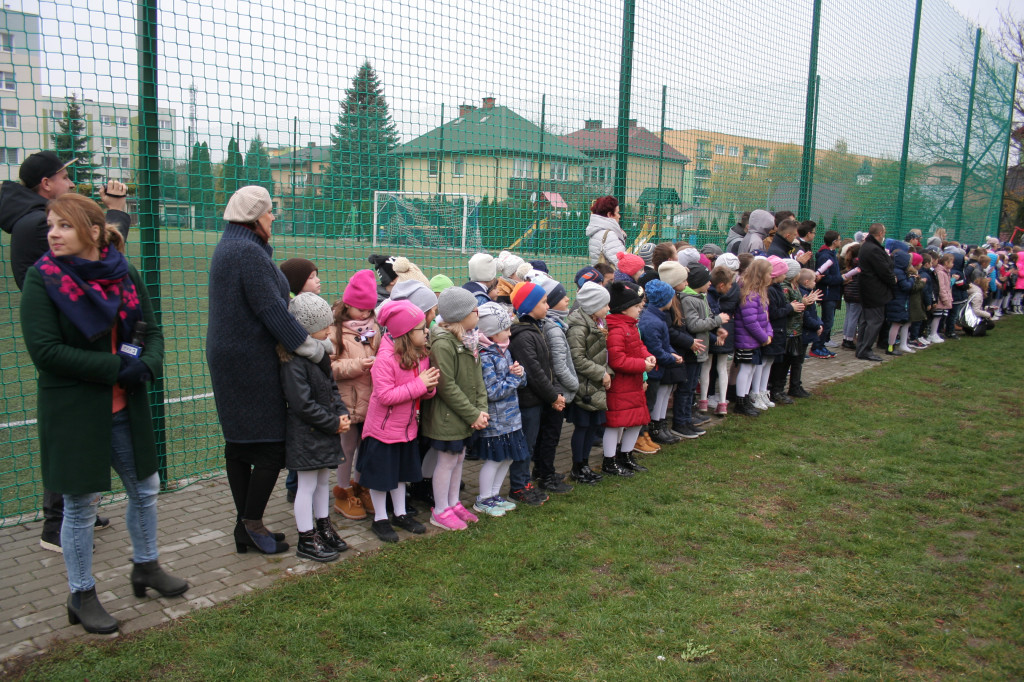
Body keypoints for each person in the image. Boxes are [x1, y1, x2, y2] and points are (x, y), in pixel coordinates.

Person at [20, 192, 187, 634]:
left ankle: (146, 567)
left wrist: (145, 366)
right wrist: (116, 366)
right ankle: (81, 594)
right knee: (79, 508)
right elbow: (46, 352)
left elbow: (152, 330)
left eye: (64, 225)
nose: (53, 233)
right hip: (75, 411)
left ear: (93, 231)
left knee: (146, 489)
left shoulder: (124, 271)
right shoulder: (44, 280)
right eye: (50, 225)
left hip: (124, 406)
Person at [1, 152, 131, 552]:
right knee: (73, 436)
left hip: (77, 331)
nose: (71, 183)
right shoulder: (38, 225)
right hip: (71, 339)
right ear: (45, 184)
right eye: (64, 177)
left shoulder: (32, 219)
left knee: (86, 434)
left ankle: (76, 511)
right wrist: (116, 213)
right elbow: (106, 255)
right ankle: (58, 526)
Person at [206, 186, 334, 555]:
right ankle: (251, 522)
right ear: (256, 217)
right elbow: (273, 312)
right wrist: (313, 350)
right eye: (269, 212)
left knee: (240, 444)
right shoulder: (246, 251)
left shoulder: (235, 246)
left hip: (233, 356)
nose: (273, 217)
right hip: (247, 359)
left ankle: (245, 525)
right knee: (269, 448)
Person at [280, 293, 351, 562]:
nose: (330, 330)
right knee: (306, 485)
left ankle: (323, 527)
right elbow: (302, 405)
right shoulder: (293, 361)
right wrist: (333, 423)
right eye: (325, 325)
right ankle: (306, 538)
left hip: (324, 431)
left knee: (323, 481)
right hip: (307, 435)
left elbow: (332, 390)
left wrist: (341, 415)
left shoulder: (318, 354)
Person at [358, 300, 435, 543]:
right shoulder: (385, 358)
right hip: (383, 431)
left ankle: (400, 513)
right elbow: (385, 396)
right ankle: (380, 518)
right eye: (421, 328)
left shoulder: (420, 355)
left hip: (406, 429)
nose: (426, 332)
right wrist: (420, 384)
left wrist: (429, 387)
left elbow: (420, 390)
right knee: (382, 477)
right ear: (405, 333)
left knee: (401, 474)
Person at [421, 287, 488, 530]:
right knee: (447, 460)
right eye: (474, 310)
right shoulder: (443, 343)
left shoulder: (469, 339)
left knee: (459, 458)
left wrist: (481, 410)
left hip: (466, 415)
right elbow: (446, 385)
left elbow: (478, 379)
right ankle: (440, 510)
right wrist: (472, 413)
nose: (478, 313)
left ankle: (453, 503)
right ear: (461, 315)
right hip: (448, 417)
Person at [330, 269, 381, 520]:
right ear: (347, 304)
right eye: (359, 309)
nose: (364, 314)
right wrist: (357, 366)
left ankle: (361, 487)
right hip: (346, 402)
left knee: (365, 447)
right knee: (346, 448)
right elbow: (329, 367)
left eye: (368, 310)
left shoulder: (374, 328)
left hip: (371, 401)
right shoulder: (335, 331)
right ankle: (343, 491)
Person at [473, 302, 529, 516]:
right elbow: (493, 392)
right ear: (492, 333)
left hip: (512, 419)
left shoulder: (503, 351)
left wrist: (519, 373)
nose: (510, 332)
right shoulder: (486, 357)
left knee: (509, 457)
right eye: (506, 329)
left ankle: (495, 495)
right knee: (495, 458)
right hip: (497, 421)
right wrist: (513, 378)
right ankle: (484, 498)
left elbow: (518, 384)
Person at [507, 282, 560, 504]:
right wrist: (553, 396)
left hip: (538, 399)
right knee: (524, 445)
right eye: (543, 302)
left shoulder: (535, 328)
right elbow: (535, 372)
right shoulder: (523, 335)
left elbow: (546, 367)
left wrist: (553, 392)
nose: (548, 306)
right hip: (528, 401)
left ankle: (525, 482)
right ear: (529, 306)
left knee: (530, 443)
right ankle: (519, 487)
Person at [603, 281, 656, 475]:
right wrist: (642, 365)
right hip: (621, 385)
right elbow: (618, 361)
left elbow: (638, 345)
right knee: (616, 423)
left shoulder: (630, 326)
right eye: (635, 306)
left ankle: (626, 455)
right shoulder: (616, 330)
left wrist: (646, 355)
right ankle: (609, 460)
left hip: (632, 384)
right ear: (624, 309)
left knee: (636, 420)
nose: (639, 309)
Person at [533, 276, 577, 493]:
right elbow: (559, 366)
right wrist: (574, 385)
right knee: (550, 436)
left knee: (547, 435)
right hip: (556, 392)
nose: (568, 299)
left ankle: (542, 469)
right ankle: (546, 476)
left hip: (554, 390)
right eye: (562, 296)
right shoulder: (553, 328)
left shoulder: (554, 324)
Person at [566, 282, 612, 485]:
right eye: (605, 305)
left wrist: (606, 373)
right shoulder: (578, 328)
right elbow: (577, 359)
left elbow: (603, 354)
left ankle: (585, 464)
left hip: (596, 385)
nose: (609, 309)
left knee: (594, 424)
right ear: (594, 306)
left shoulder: (599, 323)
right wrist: (601, 373)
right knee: (583, 427)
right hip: (584, 386)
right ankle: (577, 466)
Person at [638, 279, 684, 444]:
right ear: (664, 299)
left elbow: (663, 344)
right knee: (648, 404)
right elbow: (655, 350)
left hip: (658, 367)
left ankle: (648, 433)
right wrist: (671, 358)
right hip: (653, 369)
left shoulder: (656, 318)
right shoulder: (652, 322)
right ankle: (642, 435)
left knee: (653, 401)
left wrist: (672, 352)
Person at [733, 259, 773, 416]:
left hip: (755, 340)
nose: (772, 276)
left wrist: (768, 334)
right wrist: (763, 337)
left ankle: (746, 398)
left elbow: (765, 317)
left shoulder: (759, 293)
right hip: (747, 339)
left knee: (751, 369)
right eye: (769, 273)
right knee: (746, 368)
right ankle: (740, 401)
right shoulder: (749, 295)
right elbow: (751, 322)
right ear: (761, 275)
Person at [855, 223, 894, 362]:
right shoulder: (873, 249)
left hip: (868, 289)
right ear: (881, 233)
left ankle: (861, 348)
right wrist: (892, 279)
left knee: (866, 320)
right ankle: (865, 349)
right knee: (874, 320)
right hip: (874, 290)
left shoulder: (867, 246)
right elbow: (884, 270)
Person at [705, 264, 739, 416]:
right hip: (714, 334)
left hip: (716, 333)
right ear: (721, 284)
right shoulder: (712, 298)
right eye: (730, 284)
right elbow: (711, 316)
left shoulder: (712, 296)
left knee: (711, 367)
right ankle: (718, 401)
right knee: (719, 367)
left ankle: (712, 401)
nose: (731, 287)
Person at [811, 230, 843, 358]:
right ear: (834, 241)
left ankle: (821, 345)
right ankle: (816, 347)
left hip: (833, 292)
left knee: (829, 321)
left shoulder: (831, 254)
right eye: (839, 239)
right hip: (828, 293)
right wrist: (841, 279)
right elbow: (824, 277)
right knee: (827, 321)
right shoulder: (825, 256)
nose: (840, 241)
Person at [586, 196, 627, 266]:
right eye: (617, 213)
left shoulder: (596, 231)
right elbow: (622, 264)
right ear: (610, 215)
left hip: (601, 274)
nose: (619, 216)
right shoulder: (609, 235)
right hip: (611, 276)